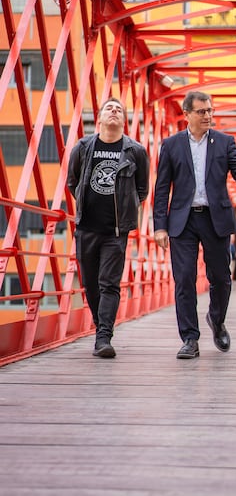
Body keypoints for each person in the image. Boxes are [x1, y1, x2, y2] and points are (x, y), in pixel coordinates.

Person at [153, 90, 236, 359]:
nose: (208, 115)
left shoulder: (224, 142)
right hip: (182, 221)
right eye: (201, 111)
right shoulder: (171, 145)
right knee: (184, 278)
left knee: (220, 278)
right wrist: (159, 226)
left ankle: (217, 320)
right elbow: (162, 188)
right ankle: (189, 338)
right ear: (186, 114)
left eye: (210, 110)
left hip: (215, 218)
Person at [67, 97, 150, 358]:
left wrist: (125, 214)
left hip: (116, 232)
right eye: (108, 109)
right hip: (86, 228)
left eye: (119, 110)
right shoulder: (83, 146)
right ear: (99, 118)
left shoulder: (135, 150)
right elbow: (73, 182)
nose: (114, 112)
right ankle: (100, 326)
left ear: (124, 120)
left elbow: (142, 189)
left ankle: (103, 337)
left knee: (109, 284)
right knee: (91, 285)